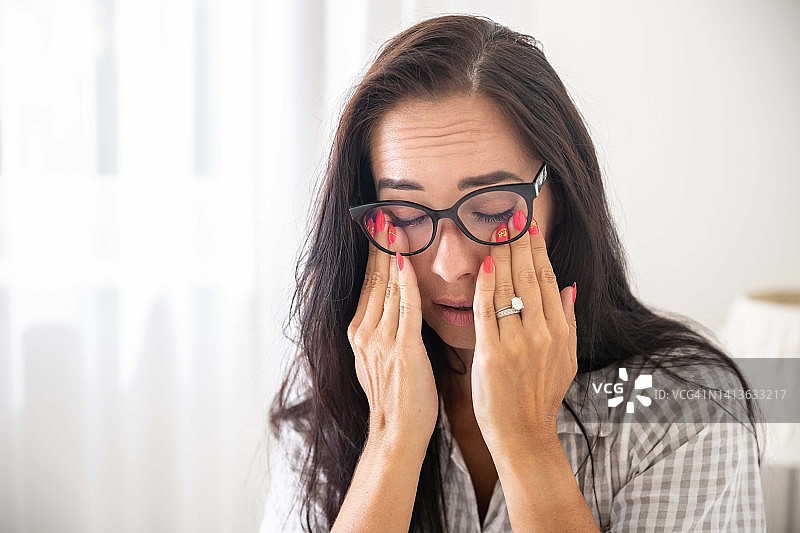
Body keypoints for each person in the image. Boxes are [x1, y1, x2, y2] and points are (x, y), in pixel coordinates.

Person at [261, 14, 766, 532]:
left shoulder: (684, 410)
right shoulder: (333, 379)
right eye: (406, 216)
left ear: (562, 201)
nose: (450, 264)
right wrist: (391, 439)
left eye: (493, 211)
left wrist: (528, 442)